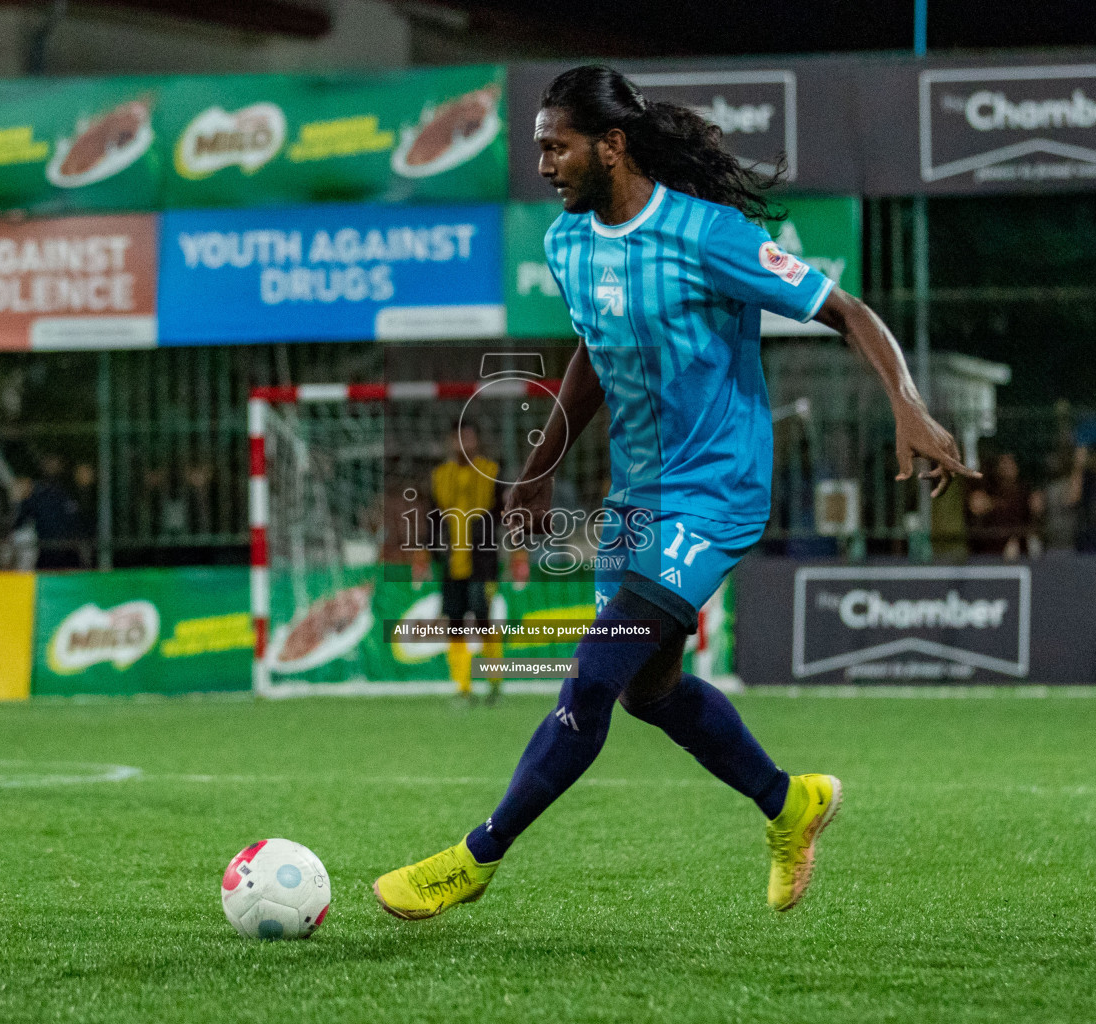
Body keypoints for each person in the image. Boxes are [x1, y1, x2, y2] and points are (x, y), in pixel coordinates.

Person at [373, 65, 975, 921]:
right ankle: (788, 802)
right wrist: (541, 466)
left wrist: (908, 405)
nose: (544, 164)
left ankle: (475, 857)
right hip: (635, 504)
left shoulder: (708, 236)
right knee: (646, 692)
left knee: (588, 677)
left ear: (611, 145)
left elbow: (845, 309)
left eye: (558, 146)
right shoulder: (567, 243)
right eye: (540, 148)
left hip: (717, 495)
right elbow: (593, 352)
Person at [415, 421, 506, 702]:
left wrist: (518, 552)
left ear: (476, 440)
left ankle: (494, 683)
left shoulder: (492, 473)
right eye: (458, 439)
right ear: (450, 442)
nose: (464, 444)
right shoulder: (439, 476)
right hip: (452, 563)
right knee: (454, 623)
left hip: (484, 564)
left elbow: (507, 516)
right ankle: (462, 686)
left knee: (483, 621)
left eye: (469, 438)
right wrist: (424, 555)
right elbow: (433, 519)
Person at [967, 452, 1032, 559]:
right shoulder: (987, 490)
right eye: (1004, 463)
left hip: (1019, 554)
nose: (1007, 467)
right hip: (988, 555)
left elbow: (1028, 524)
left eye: (1010, 463)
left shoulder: (1024, 494)